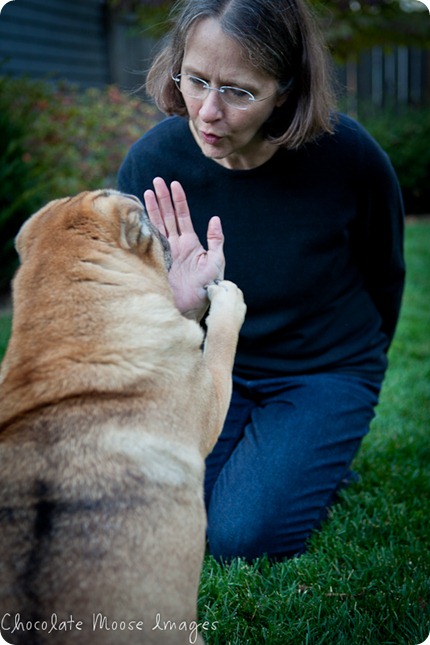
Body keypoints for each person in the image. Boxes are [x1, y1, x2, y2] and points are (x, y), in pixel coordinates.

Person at [117, 0, 405, 561]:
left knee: (239, 537)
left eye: (240, 91)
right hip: (209, 368)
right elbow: (129, 322)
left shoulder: (351, 159)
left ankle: (316, 442)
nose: (207, 112)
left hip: (321, 370)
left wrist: (351, 377)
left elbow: (385, 274)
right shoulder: (151, 164)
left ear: (287, 90)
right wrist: (179, 308)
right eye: (196, 80)